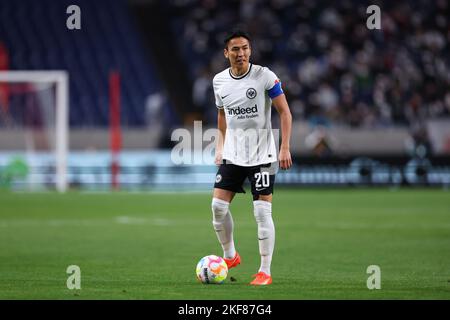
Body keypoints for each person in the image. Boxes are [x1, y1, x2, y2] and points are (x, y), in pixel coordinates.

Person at [211, 30, 293, 285]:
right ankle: (230, 255)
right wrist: (220, 146)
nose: (241, 53)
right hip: (234, 153)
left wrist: (284, 147)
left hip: (263, 155)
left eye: (245, 48)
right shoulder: (219, 81)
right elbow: (222, 114)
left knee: (261, 211)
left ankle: (265, 271)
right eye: (235, 49)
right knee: (217, 207)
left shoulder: (264, 76)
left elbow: (285, 113)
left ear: (250, 50)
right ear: (226, 53)